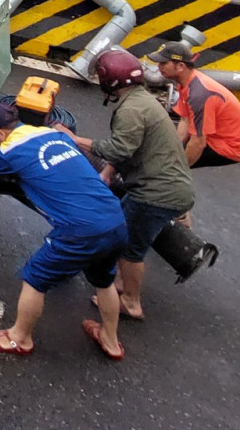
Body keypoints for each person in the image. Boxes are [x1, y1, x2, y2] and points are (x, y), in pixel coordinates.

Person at [0, 102, 130, 361]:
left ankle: (18, 338)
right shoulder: (52, 134)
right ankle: (111, 341)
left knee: (35, 277)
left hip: (80, 231)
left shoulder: (9, 150)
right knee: (104, 281)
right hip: (114, 218)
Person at [72, 49, 197, 322]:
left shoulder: (130, 109)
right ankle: (122, 285)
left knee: (131, 248)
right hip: (165, 185)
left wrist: (75, 139)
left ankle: (131, 302)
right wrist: (107, 173)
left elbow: (119, 148)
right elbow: (132, 149)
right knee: (127, 236)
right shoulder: (143, 101)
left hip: (155, 193)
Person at [156, 41, 240, 168]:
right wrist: (173, 148)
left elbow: (198, 142)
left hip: (232, 147)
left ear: (180, 66)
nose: (159, 67)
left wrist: (177, 169)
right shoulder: (185, 82)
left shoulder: (199, 94)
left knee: (165, 169)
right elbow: (185, 119)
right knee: (163, 155)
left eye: (163, 63)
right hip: (213, 136)